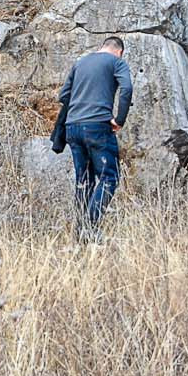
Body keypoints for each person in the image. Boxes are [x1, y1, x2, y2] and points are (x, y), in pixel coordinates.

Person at [51, 36, 133, 240]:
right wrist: (119, 119)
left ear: (101, 47)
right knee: (109, 178)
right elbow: (127, 89)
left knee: (84, 180)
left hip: (72, 128)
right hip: (97, 126)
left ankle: (80, 233)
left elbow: (64, 96)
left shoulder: (81, 62)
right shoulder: (117, 62)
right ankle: (90, 227)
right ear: (119, 51)